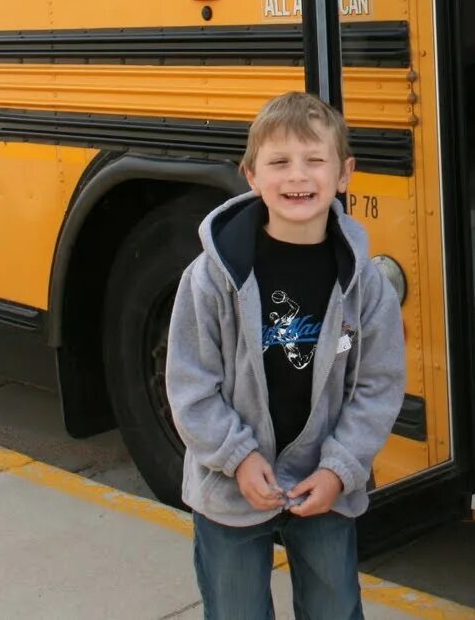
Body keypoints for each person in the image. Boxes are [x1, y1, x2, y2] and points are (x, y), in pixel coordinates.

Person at [165, 91, 406, 620]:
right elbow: (190, 385)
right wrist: (237, 457)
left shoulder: (366, 286)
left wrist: (342, 467)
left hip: (324, 478)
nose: (298, 176)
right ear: (251, 175)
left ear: (344, 173)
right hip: (229, 484)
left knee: (334, 607)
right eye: (279, 162)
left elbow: (378, 385)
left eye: (314, 160)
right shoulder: (210, 279)